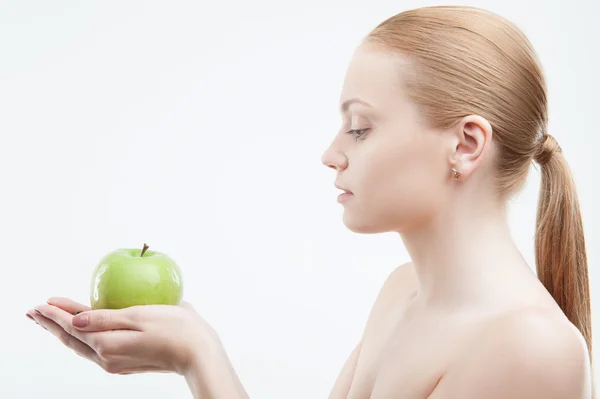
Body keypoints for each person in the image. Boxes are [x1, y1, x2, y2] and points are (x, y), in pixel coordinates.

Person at [27, 5, 594, 399]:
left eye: (360, 128)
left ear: (466, 144)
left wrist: (200, 357)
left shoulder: (532, 348)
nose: (331, 154)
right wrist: (189, 355)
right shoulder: (403, 293)